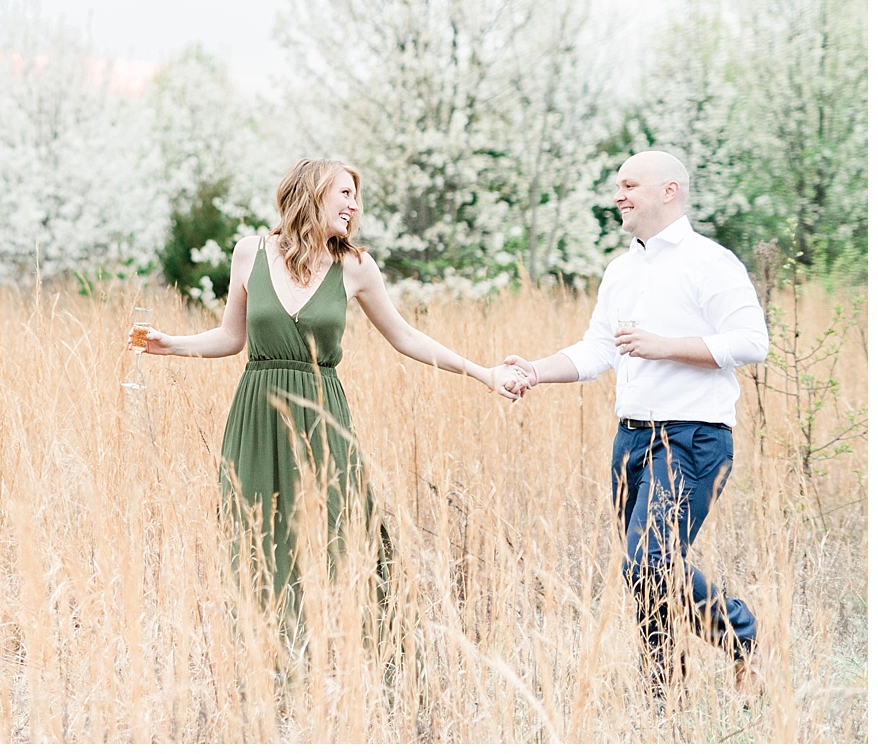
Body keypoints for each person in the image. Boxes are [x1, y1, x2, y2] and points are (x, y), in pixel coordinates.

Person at [138, 157, 521, 626]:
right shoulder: (249, 253)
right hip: (257, 414)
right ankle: (272, 660)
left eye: (355, 196)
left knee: (343, 527)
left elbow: (406, 337)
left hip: (322, 413)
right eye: (345, 193)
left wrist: (483, 373)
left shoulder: (356, 266)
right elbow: (230, 338)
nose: (354, 206)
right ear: (313, 192)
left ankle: (355, 650)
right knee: (258, 532)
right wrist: (171, 344)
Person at [499, 150, 768, 708]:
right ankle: (662, 694)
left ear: (668, 190)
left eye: (629, 184)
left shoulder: (710, 263)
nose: (617, 195)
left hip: (692, 438)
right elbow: (599, 349)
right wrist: (534, 372)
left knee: (647, 561)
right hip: (631, 440)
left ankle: (743, 638)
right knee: (647, 571)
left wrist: (663, 346)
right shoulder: (622, 269)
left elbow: (751, 342)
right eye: (617, 185)